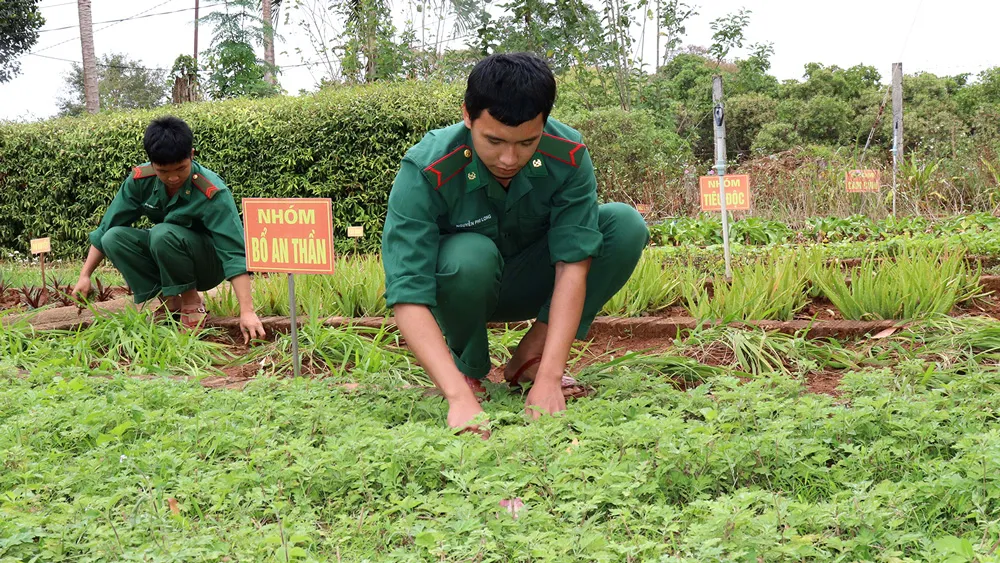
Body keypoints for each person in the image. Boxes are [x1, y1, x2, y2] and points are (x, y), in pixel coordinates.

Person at [381, 53, 649, 435]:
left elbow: (573, 263)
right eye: (494, 141)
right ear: (467, 116)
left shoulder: (568, 154)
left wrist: (551, 378)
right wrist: (458, 400)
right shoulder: (428, 168)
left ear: (544, 124)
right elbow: (408, 292)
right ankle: (466, 369)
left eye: (527, 142)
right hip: (462, 286)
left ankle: (531, 357)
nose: (509, 158)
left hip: (533, 283)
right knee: (468, 256)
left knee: (624, 224)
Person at [71, 116, 265, 343]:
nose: (173, 177)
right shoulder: (140, 181)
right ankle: (169, 301)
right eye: (163, 171)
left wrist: (247, 311)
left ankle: (191, 301)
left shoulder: (212, 191)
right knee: (114, 238)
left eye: (181, 169)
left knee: (163, 232)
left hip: (208, 265)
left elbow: (233, 252)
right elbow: (107, 228)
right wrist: (85, 275)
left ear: (191, 155)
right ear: (152, 164)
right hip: (168, 251)